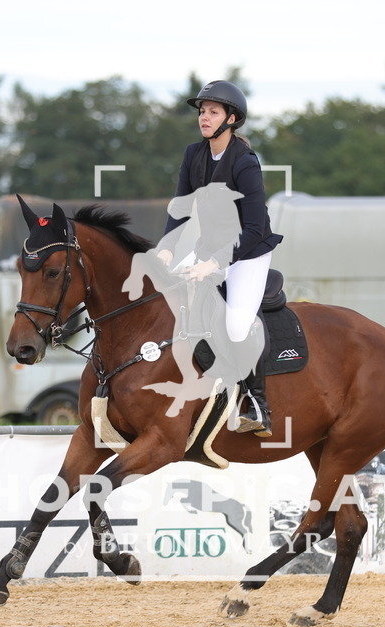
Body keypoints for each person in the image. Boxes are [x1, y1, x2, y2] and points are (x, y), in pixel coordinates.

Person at [156, 80, 283, 437]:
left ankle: (257, 403)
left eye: (212, 111)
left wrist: (214, 265)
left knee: (236, 325)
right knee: (167, 299)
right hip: (209, 249)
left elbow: (255, 228)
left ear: (232, 118)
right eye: (201, 111)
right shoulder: (193, 155)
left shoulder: (245, 163)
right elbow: (181, 207)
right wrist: (167, 247)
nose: (204, 117)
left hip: (248, 254)